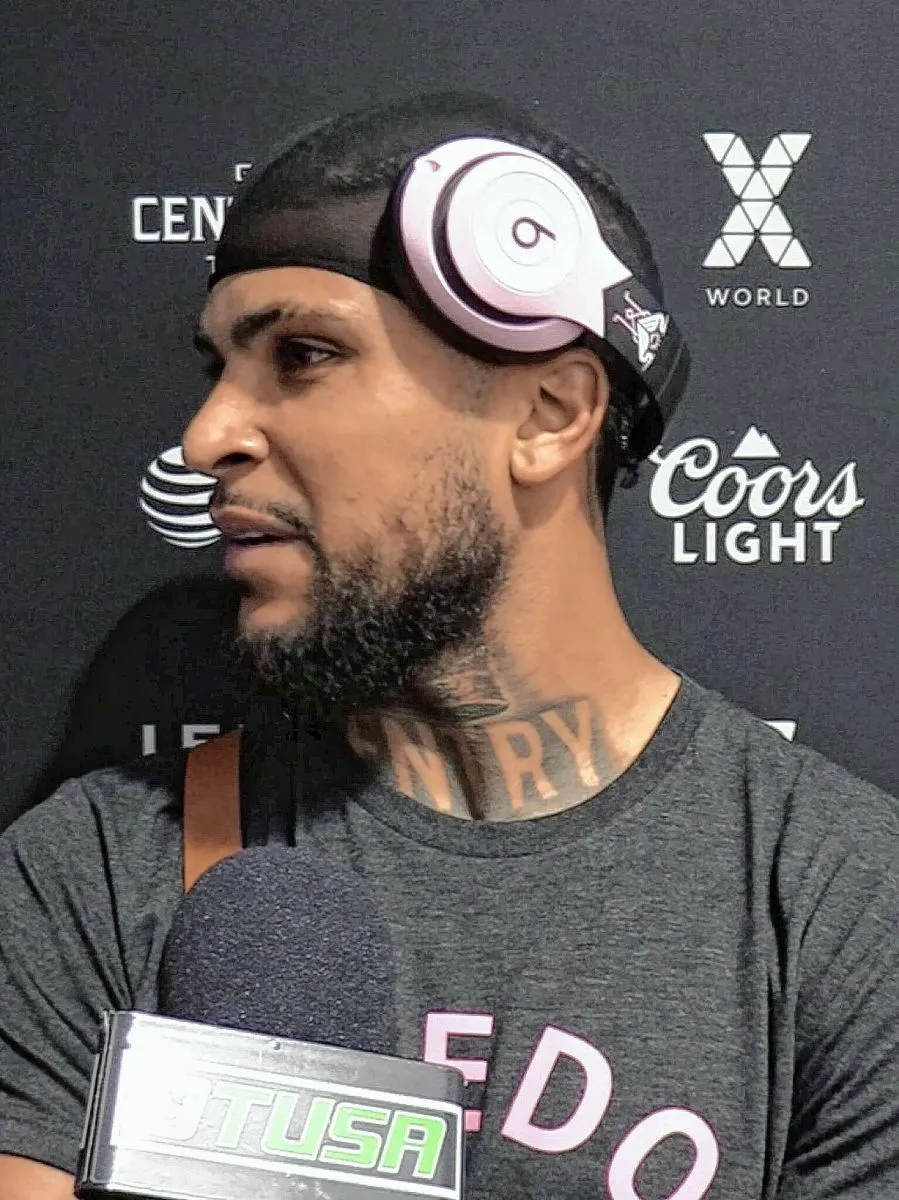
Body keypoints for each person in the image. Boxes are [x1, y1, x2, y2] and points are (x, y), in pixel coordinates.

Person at [0, 92, 896, 1200]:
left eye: (304, 354)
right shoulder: (90, 876)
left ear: (548, 414)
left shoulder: (841, 905)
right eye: (216, 368)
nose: (205, 437)